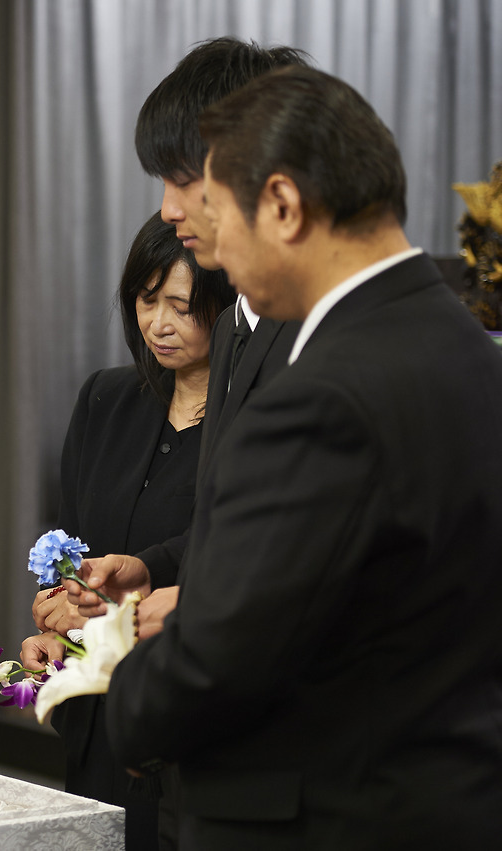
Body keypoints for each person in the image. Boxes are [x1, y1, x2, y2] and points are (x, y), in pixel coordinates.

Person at [104, 66, 502, 848]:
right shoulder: (471, 350)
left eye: (215, 206)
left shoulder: (321, 397)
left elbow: (211, 667)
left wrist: (111, 683)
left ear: (283, 206)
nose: (195, 227)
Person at [76, 36, 310, 639]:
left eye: (182, 179)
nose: (167, 209)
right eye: (146, 300)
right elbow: (231, 527)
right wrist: (150, 571)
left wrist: (196, 601)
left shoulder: (322, 338)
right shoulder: (239, 329)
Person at [21, 213, 233, 849]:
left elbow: (234, 558)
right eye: (146, 300)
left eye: (182, 307)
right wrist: (55, 619)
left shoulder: (249, 421)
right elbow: (73, 546)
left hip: (189, 719)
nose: (158, 324)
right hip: (98, 712)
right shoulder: (106, 399)